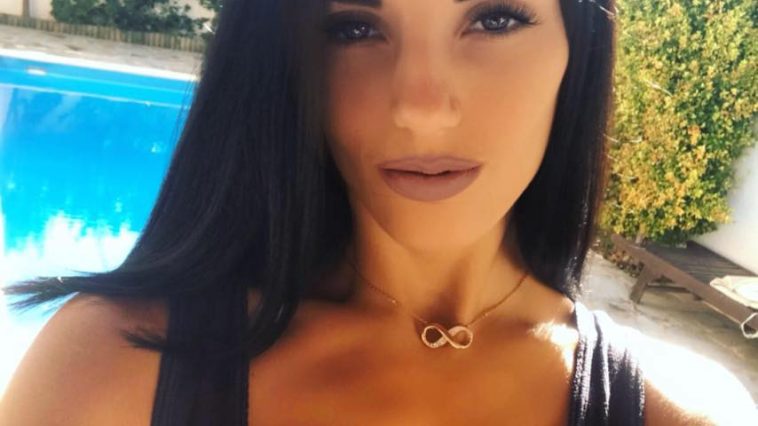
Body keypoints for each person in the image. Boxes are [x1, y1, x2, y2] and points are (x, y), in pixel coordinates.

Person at [1, 0, 756, 424]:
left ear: (578, 49)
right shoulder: (108, 369)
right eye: (355, 28)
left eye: (495, 18)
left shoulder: (685, 413)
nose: (422, 108)